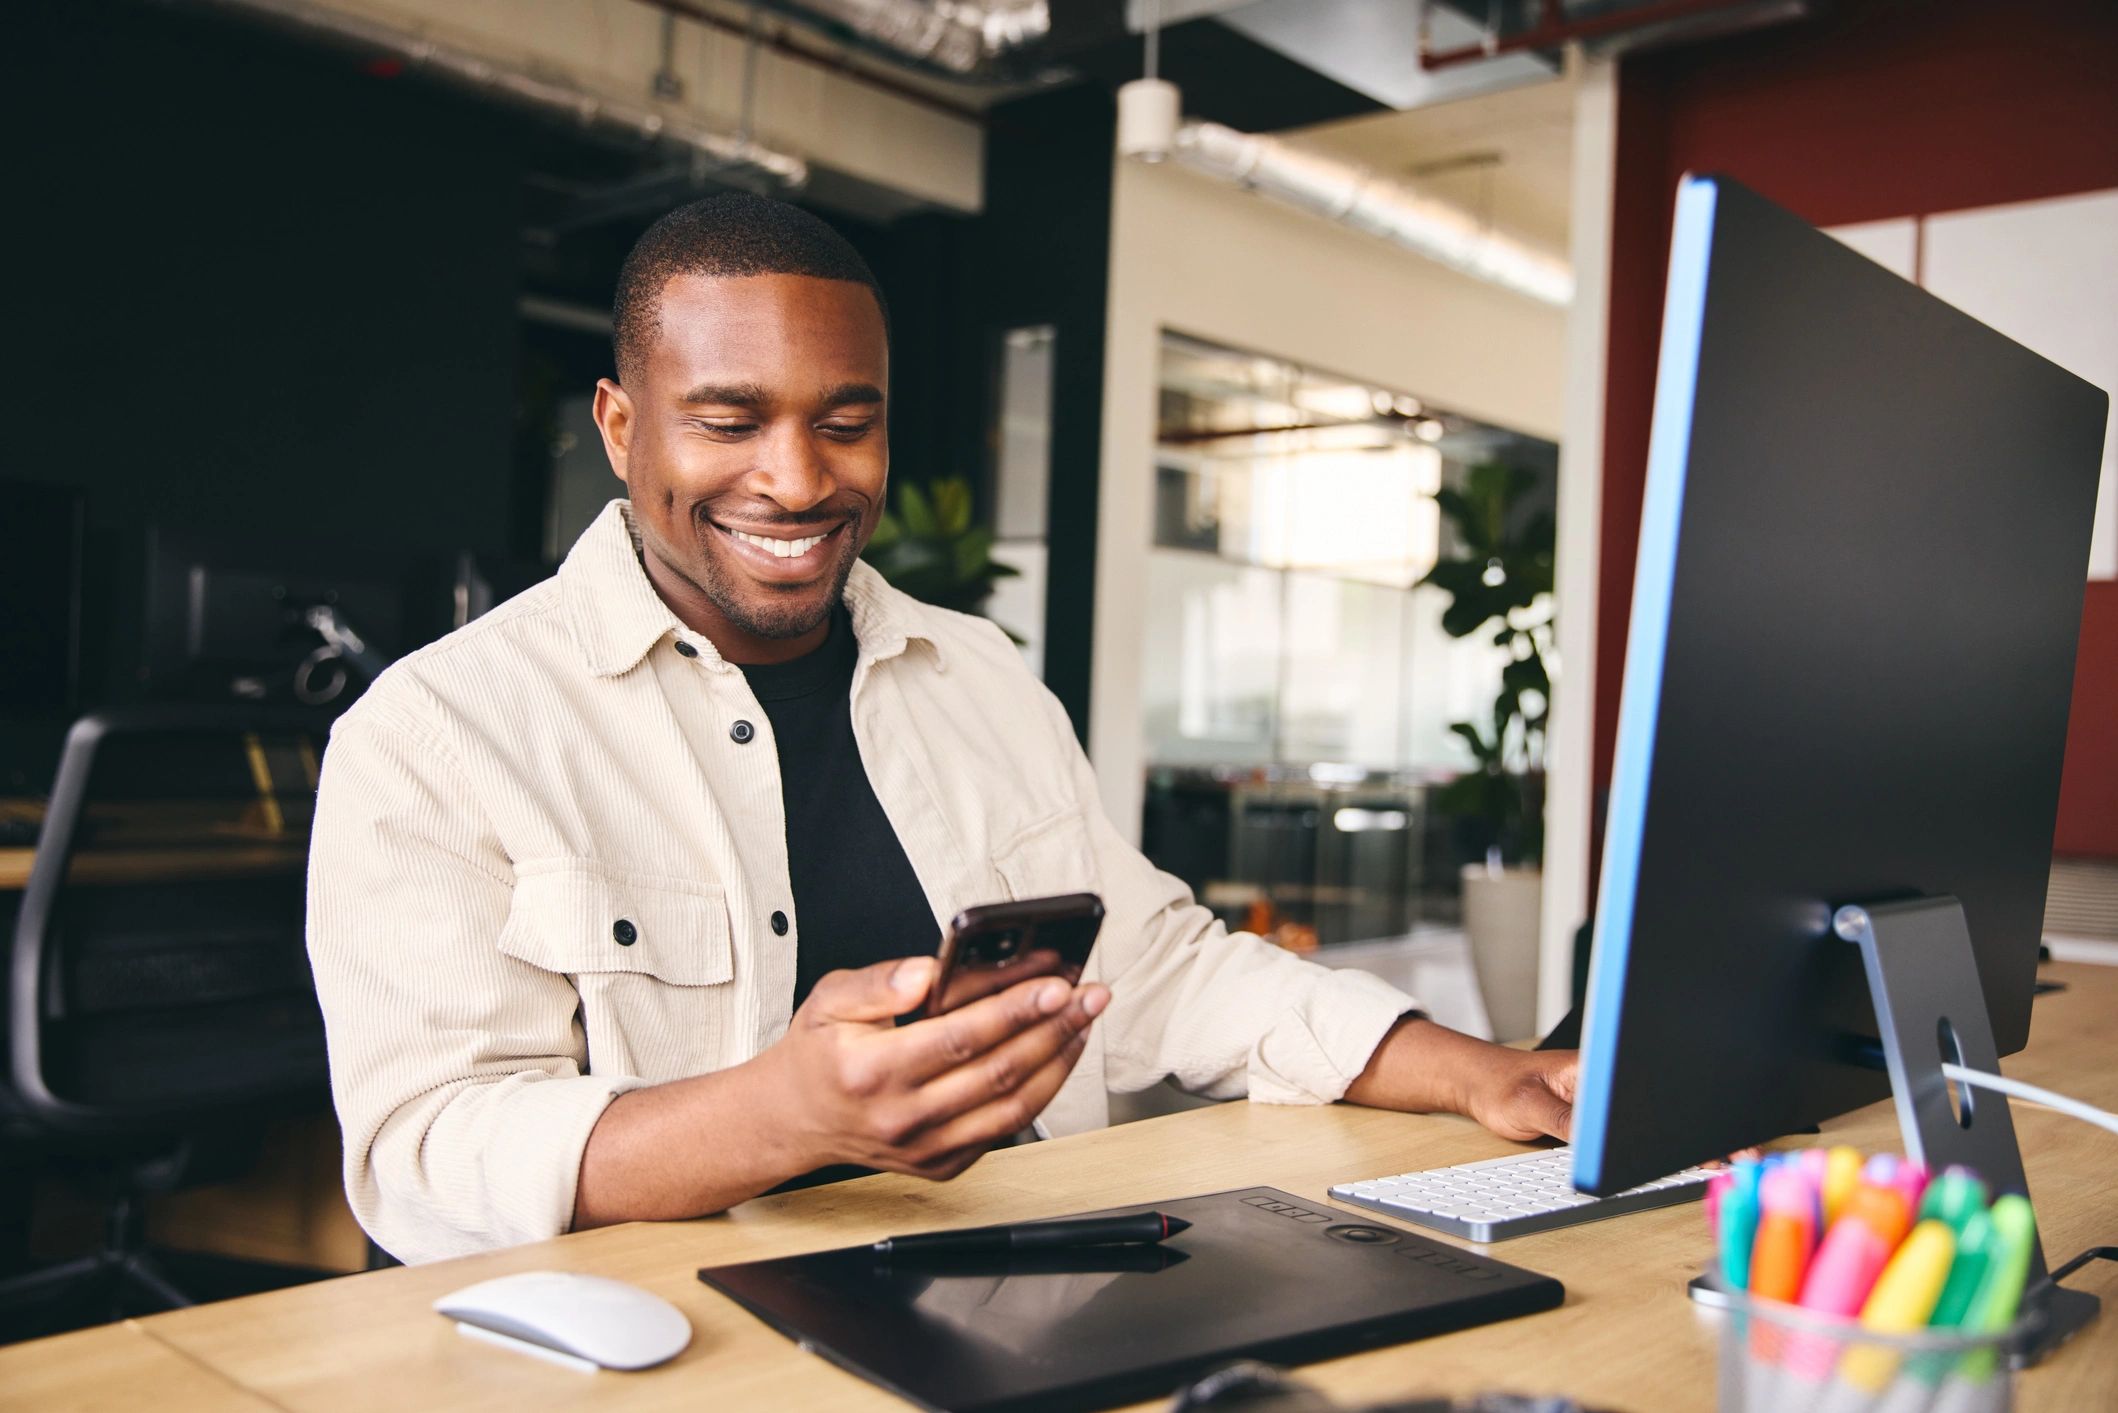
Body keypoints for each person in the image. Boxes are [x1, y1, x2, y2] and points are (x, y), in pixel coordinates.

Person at [307, 194, 1578, 1264]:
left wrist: (1472, 1070)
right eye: (729, 422)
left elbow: (1157, 965)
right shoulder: (437, 733)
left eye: (844, 424)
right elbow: (422, 1153)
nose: (798, 481)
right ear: (622, 425)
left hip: (1028, 1283)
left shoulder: (974, 673)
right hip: (682, 1342)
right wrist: (786, 1116)